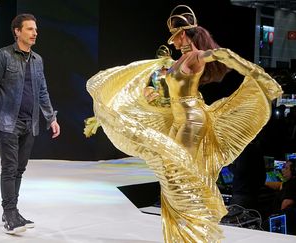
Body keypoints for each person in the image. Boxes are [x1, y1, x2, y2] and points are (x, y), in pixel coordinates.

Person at [85, 5, 282, 242]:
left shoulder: (197, 57)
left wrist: (260, 76)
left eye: (176, 37)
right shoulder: (179, 61)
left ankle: (195, 233)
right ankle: (186, 235)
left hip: (192, 120)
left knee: (178, 176)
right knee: (174, 176)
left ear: (183, 34)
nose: (174, 42)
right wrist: (154, 98)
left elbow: (225, 55)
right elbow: (173, 94)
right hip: (180, 119)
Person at [0, 13, 60, 234]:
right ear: (17, 31)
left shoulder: (37, 60)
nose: (35, 33)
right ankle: (10, 213)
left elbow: (42, 91)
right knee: (10, 168)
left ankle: (13, 211)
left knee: (20, 169)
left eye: (36, 29)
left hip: (29, 122)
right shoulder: (3, 56)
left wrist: (51, 118)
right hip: (7, 122)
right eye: (30, 29)